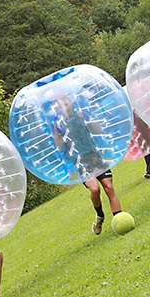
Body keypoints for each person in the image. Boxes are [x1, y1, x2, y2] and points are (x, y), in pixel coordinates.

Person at [51, 93, 126, 235]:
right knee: (95, 189)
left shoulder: (81, 114)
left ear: (71, 103)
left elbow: (98, 130)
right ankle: (100, 215)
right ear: (58, 109)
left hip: (94, 155)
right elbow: (59, 148)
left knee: (109, 186)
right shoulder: (59, 124)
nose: (65, 108)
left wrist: (87, 119)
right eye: (61, 106)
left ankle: (119, 219)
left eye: (66, 104)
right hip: (80, 161)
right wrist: (57, 133)